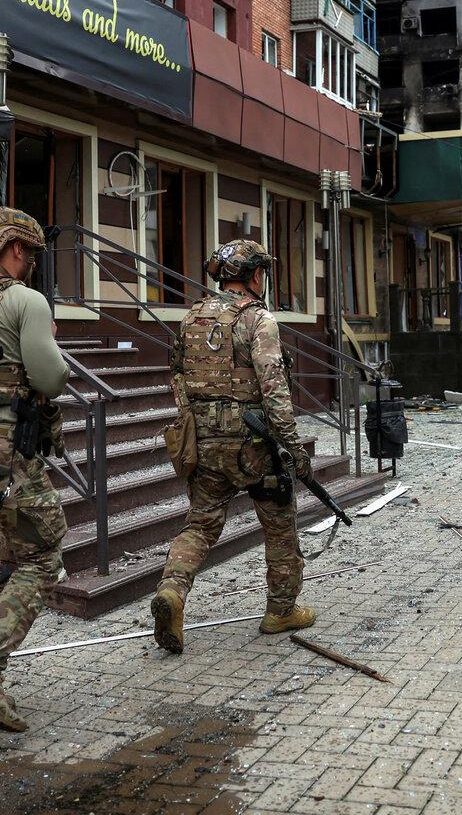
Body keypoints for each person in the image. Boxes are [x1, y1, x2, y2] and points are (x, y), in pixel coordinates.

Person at [151, 240, 316, 654]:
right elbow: (274, 388)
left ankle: (172, 591)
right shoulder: (259, 319)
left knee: (200, 525)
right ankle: (281, 610)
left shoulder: (191, 318)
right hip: (253, 446)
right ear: (255, 275)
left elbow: (177, 378)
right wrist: (294, 448)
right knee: (279, 523)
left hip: (205, 444)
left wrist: (196, 425)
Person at [0, 208, 69, 732]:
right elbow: (49, 377)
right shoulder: (23, 300)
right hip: (8, 456)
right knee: (43, 554)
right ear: (17, 250)